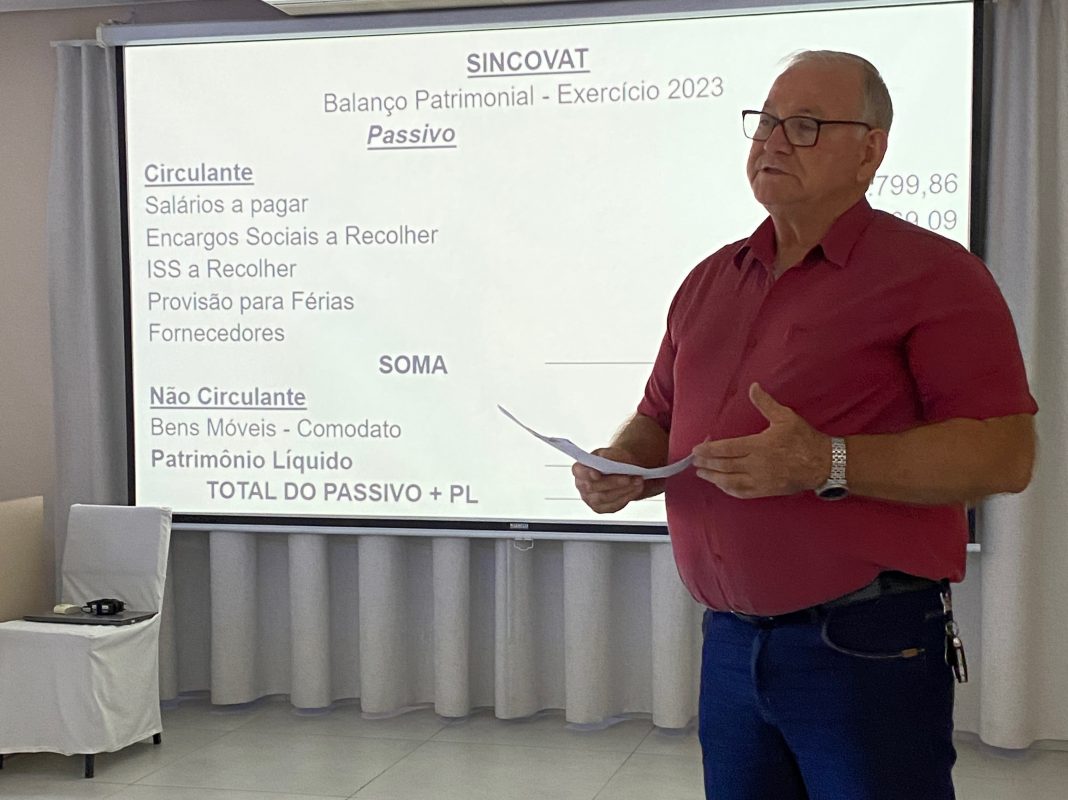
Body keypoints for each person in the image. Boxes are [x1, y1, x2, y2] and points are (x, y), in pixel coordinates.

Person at [572, 51, 1037, 800]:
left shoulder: (934, 274)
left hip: (863, 642)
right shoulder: (711, 278)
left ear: (871, 150)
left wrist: (827, 462)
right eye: (765, 122)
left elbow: (1005, 455)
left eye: (807, 125)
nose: (774, 141)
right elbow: (659, 417)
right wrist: (622, 463)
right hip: (729, 640)